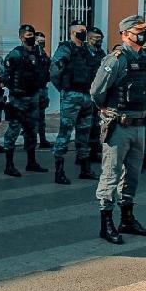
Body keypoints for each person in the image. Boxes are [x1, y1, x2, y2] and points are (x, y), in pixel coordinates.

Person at [90, 15, 146, 245]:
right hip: (119, 125)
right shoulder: (116, 60)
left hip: (139, 126)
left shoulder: (144, 59)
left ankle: (126, 218)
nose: (143, 34)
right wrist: (109, 112)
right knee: (111, 174)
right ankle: (106, 222)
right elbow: (97, 92)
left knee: (133, 175)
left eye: (145, 30)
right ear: (125, 33)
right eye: (139, 30)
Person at [50, 19, 98, 184]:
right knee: (65, 133)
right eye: (80, 30)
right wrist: (63, 89)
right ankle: (59, 171)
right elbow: (55, 70)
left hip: (86, 96)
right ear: (72, 32)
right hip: (71, 95)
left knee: (84, 133)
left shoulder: (87, 50)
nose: (84, 32)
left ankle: (85, 168)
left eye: (84, 29)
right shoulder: (66, 48)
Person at [1, 24, 49, 177]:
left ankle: (31, 162)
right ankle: (9, 165)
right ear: (21, 37)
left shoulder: (39, 52)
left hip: (34, 96)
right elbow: (4, 74)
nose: (30, 38)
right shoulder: (15, 54)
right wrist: (13, 90)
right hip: (18, 98)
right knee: (13, 130)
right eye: (27, 35)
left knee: (31, 130)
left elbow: (45, 69)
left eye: (32, 35)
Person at [87, 26, 108, 162]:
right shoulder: (83, 52)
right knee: (85, 125)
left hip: (98, 94)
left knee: (96, 124)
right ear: (89, 38)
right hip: (85, 93)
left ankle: (94, 152)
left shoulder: (101, 53)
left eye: (101, 38)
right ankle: (82, 154)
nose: (99, 41)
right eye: (97, 38)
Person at [34, 31, 53, 149]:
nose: (41, 43)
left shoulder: (44, 55)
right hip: (32, 90)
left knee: (41, 116)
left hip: (42, 88)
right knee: (30, 117)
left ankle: (42, 139)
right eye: (39, 41)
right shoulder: (31, 54)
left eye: (43, 41)